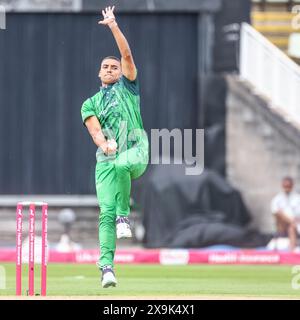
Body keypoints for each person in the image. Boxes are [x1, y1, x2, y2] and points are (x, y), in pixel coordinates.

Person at [81, 6, 149, 288]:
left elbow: (127, 55)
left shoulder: (128, 87)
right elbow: (94, 130)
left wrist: (113, 26)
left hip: (136, 149)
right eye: (106, 67)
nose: (110, 70)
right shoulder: (90, 103)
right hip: (106, 160)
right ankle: (107, 268)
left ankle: (125, 215)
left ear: (121, 72)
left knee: (123, 164)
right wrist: (104, 143)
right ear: (99, 73)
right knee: (105, 213)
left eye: (114, 67)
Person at [271, 177, 300, 251]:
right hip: (282, 224)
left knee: (291, 227)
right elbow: (275, 212)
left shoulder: (297, 198)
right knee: (279, 214)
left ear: (292, 186)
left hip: (295, 224)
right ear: (282, 186)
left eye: (288, 186)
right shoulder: (277, 199)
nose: (287, 188)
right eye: (285, 186)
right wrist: (290, 220)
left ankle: (292, 251)